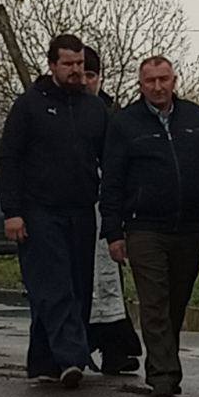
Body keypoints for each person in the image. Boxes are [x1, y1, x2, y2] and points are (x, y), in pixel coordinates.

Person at [100, 55, 199, 397]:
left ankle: (165, 362)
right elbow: (111, 182)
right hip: (144, 228)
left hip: (188, 227)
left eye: (164, 79)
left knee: (176, 302)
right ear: (140, 85)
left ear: (175, 80)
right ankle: (163, 374)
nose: (158, 87)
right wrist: (113, 232)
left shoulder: (194, 117)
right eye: (150, 81)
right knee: (154, 302)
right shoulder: (125, 124)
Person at [0, 34, 108, 389]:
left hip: (81, 209)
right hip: (39, 210)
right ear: (52, 65)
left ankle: (44, 361)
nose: (76, 71)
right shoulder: (29, 105)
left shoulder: (94, 109)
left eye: (80, 64)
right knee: (54, 282)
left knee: (77, 285)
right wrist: (12, 211)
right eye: (68, 64)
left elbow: (111, 158)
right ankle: (73, 356)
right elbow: (9, 160)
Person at [82, 46, 142, 377]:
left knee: (110, 280)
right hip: (75, 206)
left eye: (93, 75)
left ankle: (115, 349)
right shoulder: (68, 110)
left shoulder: (113, 115)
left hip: (106, 207)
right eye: (84, 74)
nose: (88, 81)